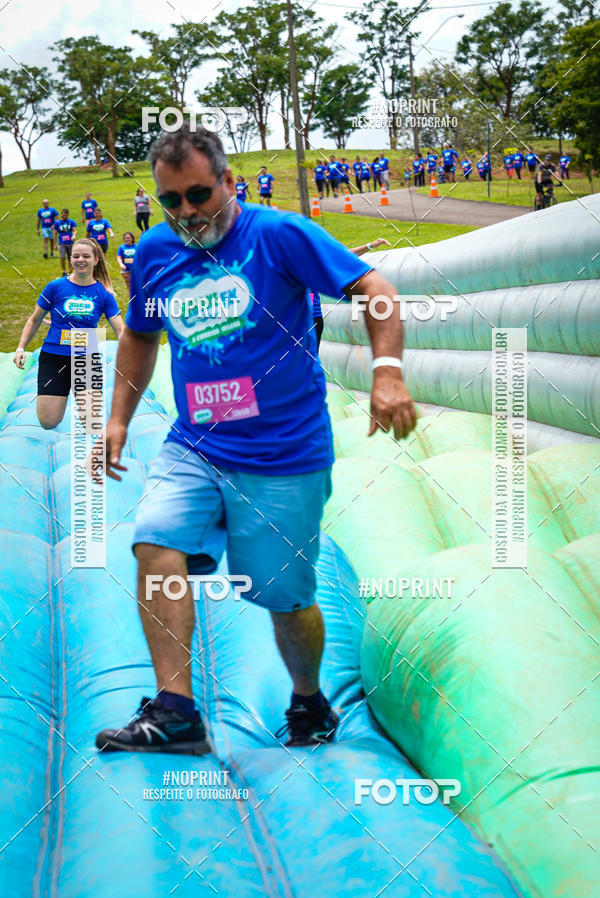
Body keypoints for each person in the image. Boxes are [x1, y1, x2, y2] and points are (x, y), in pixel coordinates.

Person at [93, 123, 416, 754]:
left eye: (197, 194)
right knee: (154, 541)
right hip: (197, 444)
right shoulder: (157, 252)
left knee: (284, 597)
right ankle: (177, 713)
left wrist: (387, 372)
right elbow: (138, 334)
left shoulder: (278, 236)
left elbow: (374, 288)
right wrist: (117, 418)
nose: (187, 212)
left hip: (284, 455)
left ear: (228, 182)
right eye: (172, 201)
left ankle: (308, 700)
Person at [12, 237, 123, 429]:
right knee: (48, 421)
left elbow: (120, 329)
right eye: (76, 256)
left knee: (91, 422)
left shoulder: (104, 293)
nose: (80, 259)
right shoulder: (55, 287)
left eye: (86, 256)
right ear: (70, 259)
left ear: (96, 260)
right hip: (54, 358)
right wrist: (20, 348)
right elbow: (34, 319)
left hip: (86, 358)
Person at [311, 237, 392, 351]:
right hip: (292, 319)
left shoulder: (313, 259)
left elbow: (344, 256)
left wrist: (370, 245)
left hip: (313, 318)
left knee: (309, 358)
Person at [53, 208, 78, 276]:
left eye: (66, 215)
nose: (64, 216)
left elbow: (75, 230)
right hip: (62, 243)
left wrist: (74, 235)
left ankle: (70, 271)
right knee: (62, 256)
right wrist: (54, 244)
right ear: (61, 214)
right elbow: (55, 233)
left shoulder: (71, 221)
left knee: (71, 257)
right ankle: (64, 271)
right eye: (63, 215)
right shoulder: (57, 223)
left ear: (68, 215)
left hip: (70, 242)